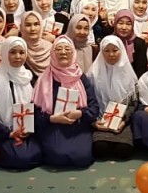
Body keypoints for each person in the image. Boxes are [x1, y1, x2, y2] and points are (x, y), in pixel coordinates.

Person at [32, 36, 100, 167]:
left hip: (78, 124)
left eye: (67, 49)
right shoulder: (43, 79)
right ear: (52, 53)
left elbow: (94, 107)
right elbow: (34, 113)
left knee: (82, 157)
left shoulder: (81, 77)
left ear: (73, 52)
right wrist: (52, 119)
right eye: (59, 49)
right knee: (58, 156)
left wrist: (80, 113)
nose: (63, 52)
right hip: (52, 125)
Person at [0, 36, 43, 170]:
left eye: (22, 52)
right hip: (6, 133)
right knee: (19, 158)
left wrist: (29, 129)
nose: (18, 57)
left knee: (40, 152)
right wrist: (9, 133)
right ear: (5, 53)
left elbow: (35, 105)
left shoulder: (28, 76)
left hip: (28, 131)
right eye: (12, 52)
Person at [88, 36, 139, 160]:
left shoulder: (129, 74)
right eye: (107, 51)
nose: (111, 54)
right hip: (100, 120)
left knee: (124, 150)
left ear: (121, 51)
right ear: (101, 52)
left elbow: (134, 102)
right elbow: (88, 101)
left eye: (115, 50)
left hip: (122, 121)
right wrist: (94, 122)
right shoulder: (92, 74)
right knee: (100, 149)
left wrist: (124, 121)